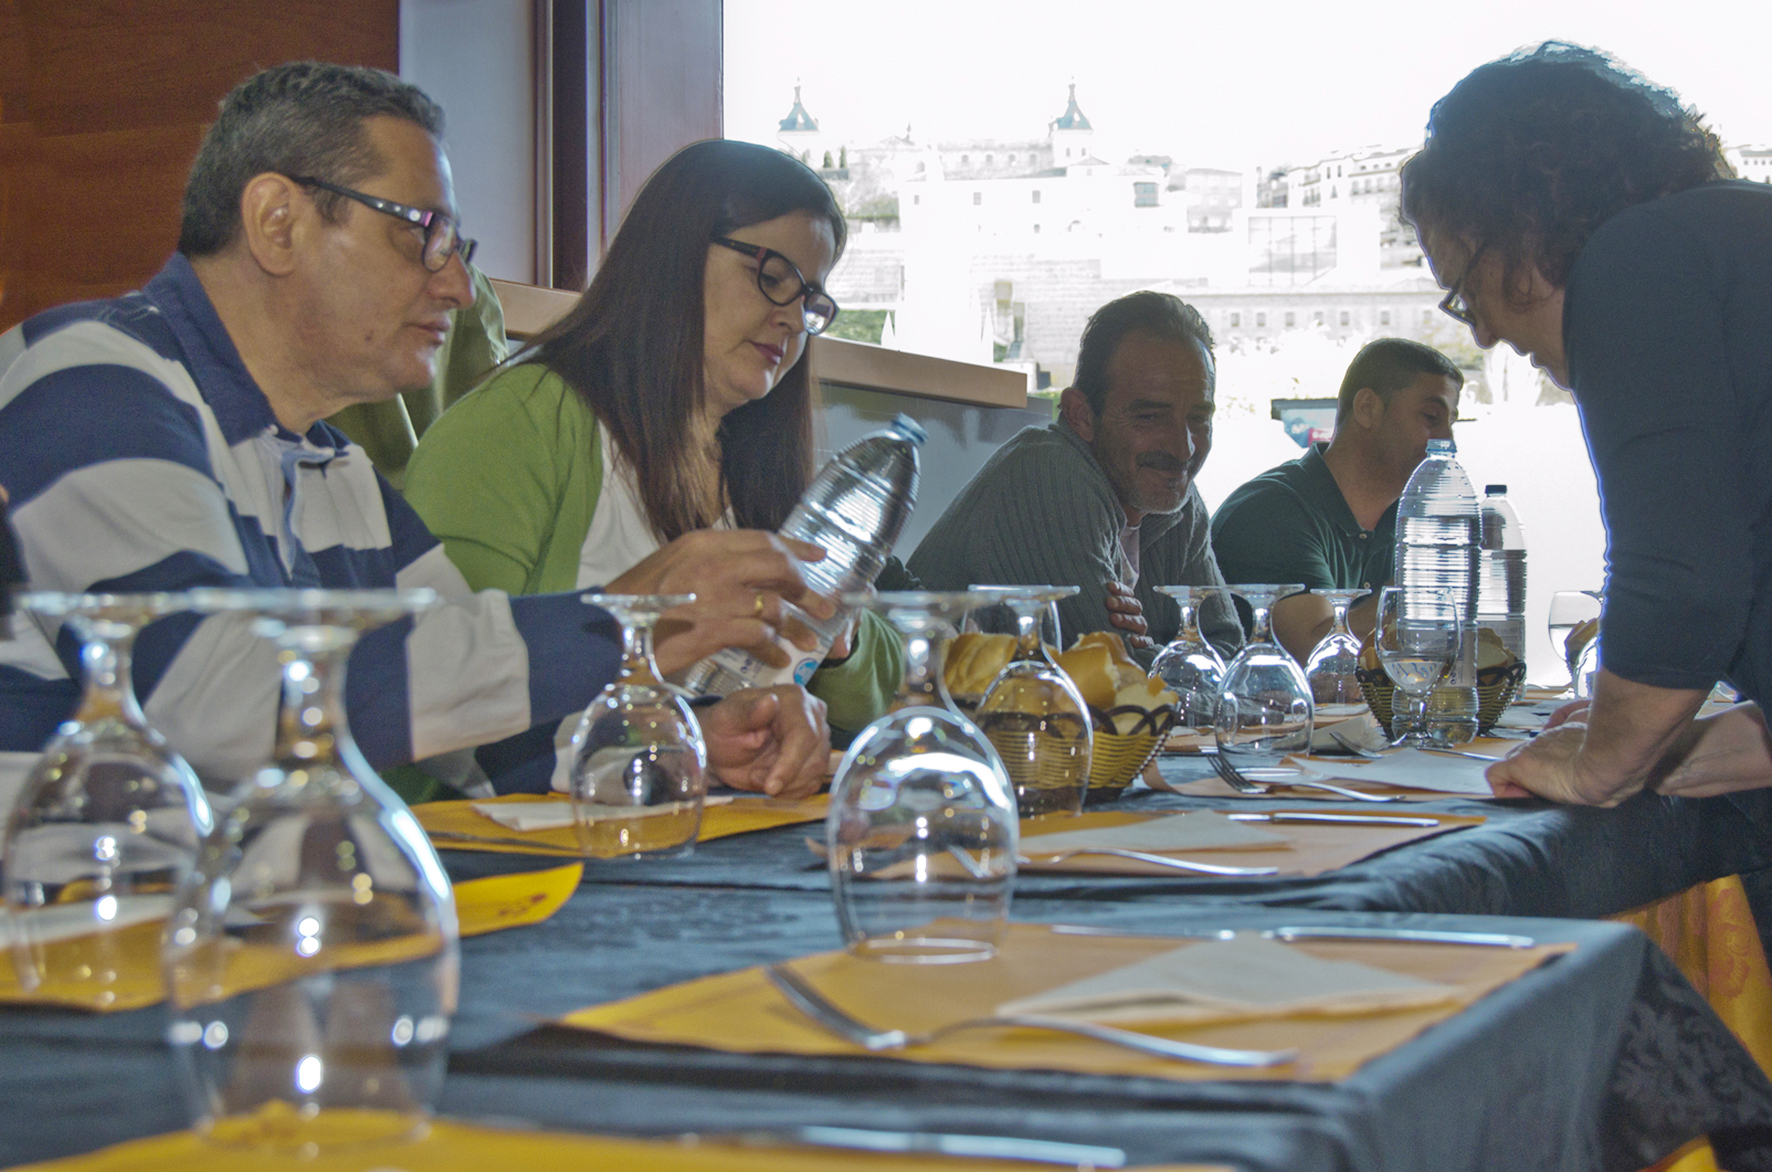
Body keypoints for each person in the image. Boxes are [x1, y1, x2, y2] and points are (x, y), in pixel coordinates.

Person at [0, 62, 834, 798]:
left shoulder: (330, 466)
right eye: (423, 235)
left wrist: (687, 743)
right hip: (63, 928)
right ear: (277, 222)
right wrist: (625, 620)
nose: (461, 289)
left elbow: (476, 732)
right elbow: (218, 703)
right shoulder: (91, 377)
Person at [403, 139, 899, 744]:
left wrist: (838, 637)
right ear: (674, 257)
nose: (794, 320)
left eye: (812, 301)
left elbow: (878, 703)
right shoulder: (522, 420)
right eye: (772, 279)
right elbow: (427, 697)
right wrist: (665, 733)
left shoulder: (764, 462)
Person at [1400, 42, 1771, 806]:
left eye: (1466, 294)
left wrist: (1602, 764)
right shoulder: (1735, 239)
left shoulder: (1637, 259)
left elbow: (1683, 578)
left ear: (1521, 226)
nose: (1484, 336)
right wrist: (1699, 741)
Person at [907, 291, 1242, 662]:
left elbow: (1228, 648)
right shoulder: (1045, 474)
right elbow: (1107, 675)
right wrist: (1162, 656)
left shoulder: (1174, 494)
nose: (1184, 449)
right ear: (1081, 415)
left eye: (1199, 418)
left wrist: (1152, 654)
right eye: (1150, 417)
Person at [1211, 338, 1462, 662]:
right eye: (1431, 416)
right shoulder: (1271, 512)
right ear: (1367, 408)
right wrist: (1415, 583)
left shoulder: (1414, 519)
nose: (1448, 441)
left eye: (1451, 423)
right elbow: (1317, 657)